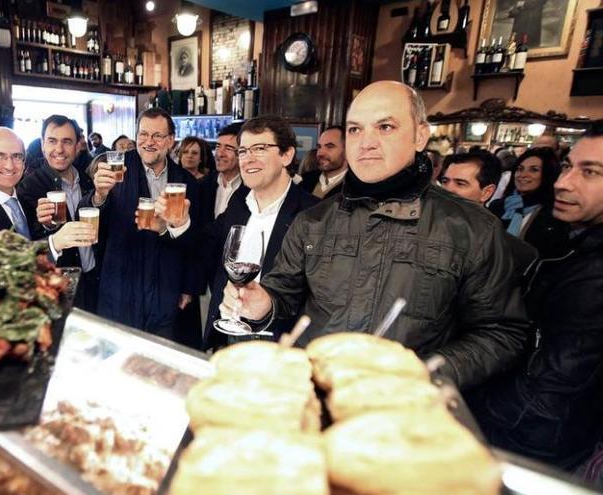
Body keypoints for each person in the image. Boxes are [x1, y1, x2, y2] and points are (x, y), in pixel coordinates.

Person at [222, 81, 528, 389]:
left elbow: (501, 333)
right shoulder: (314, 221)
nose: (366, 142)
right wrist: (263, 304)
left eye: (385, 127)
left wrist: (425, 374)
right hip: (315, 397)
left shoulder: (471, 227)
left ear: (420, 135)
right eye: (355, 130)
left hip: (400, 412)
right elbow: (283, 296)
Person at [473, 124, 603, 470]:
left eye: (591, 172)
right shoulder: (584, 245)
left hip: (538, 446)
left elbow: (550, 394)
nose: (563, 183)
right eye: (568, 166)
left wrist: (468, 409)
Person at [83, 107, 199, 342]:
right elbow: (88, 215)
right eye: (143, 134)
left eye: (157, 136)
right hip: (121, 282)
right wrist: (99, 195)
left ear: (170, 141)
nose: (149, 142)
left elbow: (197, 238)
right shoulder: (115, 168)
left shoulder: (185, 181)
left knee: (158, 360)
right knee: (117, 355)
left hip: (165, 285)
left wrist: (189, 286)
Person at [204, 116, 318, 350]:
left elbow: (317, 295)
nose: (248, 159)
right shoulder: (238, 202)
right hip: (228, 336)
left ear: (286, 155)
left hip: (279, 345)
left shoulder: (314, 213)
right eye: (244, 151)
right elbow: (206, 243)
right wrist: (175, 225)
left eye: (260, 149)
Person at [18, 115, 98, 311]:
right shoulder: (28, 186)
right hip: (57, 288)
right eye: (52, 141)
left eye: (67, 142)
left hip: (94, 280)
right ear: (43, 144)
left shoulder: (88, 181)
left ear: (78, 145)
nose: (59, 149)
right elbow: (26, 243)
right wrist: (46, 225)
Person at [439, 151, 538, 274]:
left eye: (460, 184)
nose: (448, 190)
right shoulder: (425, 228)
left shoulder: (509, 250)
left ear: (487, 192)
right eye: (445, 181)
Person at [488, 147, 569, 258]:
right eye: (520, 169)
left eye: (534, 170)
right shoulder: (497, 206)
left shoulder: (556, 214)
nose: (523, 175)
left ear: (547, 175)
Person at [199, 123, 245, 225]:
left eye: (228, 148)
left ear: (242, 153)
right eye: (218, 147)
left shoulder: (251, 189)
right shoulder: (202, 185)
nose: (220, 154)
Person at [299, 125, 349, 200]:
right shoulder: (304, 181)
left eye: (330, 147)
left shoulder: (358, 188)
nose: (320, 153)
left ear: (347, 150)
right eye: (319, 147)